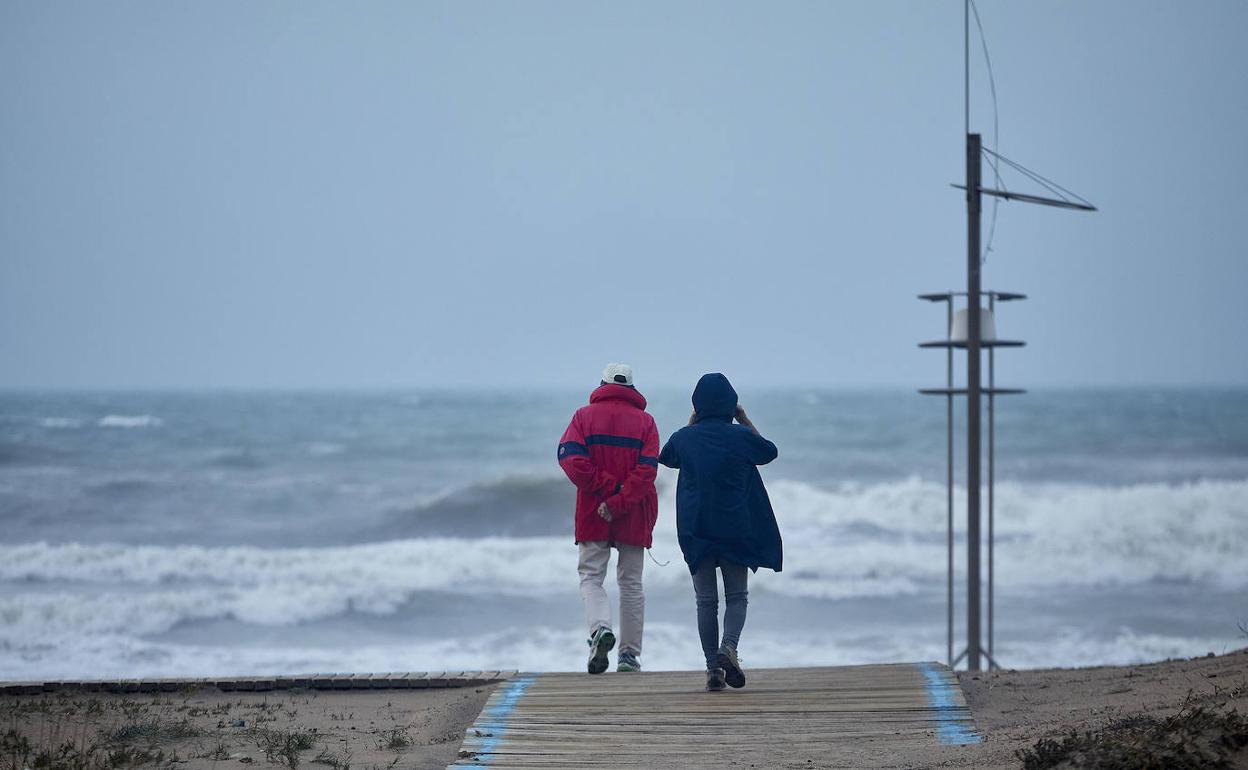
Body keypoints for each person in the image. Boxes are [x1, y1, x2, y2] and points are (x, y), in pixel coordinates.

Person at [658, 373, 781, 692]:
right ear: (730, 403)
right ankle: (729, 647)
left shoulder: (684, 439)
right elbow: (768, 452)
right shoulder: (740, 436)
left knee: (705, 601)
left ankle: (713, 669)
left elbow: (666, 457)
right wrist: (744, 419)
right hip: (735, 526)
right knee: (737, 596)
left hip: (696, 528)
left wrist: (691, 422)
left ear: (697, 406)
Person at [558, 363, 660, 674]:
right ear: (632, 389)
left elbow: (570, 459)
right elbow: (647, 472)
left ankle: (599, 630)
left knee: (591, 578)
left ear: (601, 384)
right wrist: (620, 499)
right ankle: (629, 656)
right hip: (633, 510)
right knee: (630, 583)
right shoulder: (646, 422)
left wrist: (606, 493)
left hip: (593, 509)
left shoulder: (582, 417)